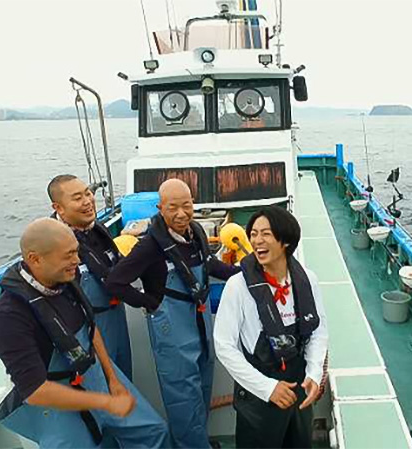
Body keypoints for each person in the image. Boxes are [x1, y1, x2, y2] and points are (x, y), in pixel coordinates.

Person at [0, 218, 167, 448]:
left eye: (76, 252)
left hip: (95, 377)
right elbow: (35, 392)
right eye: (68, 255)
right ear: (35, 259)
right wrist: (104, 403)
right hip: (57, 402)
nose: (77, 261)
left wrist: (112, 378)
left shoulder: (66, 280)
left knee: (153, 431)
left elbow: (89, 329)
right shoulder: (9, 318)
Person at [106, 178, 240, 448]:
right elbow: (115, 282)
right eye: (173, 208)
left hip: (199, 323)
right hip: (171, 330)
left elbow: (209, 264)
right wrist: (149, 303)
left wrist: (243, 273)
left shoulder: (196, 233)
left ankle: (199, 442)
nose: (181, 214)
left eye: (187, 205)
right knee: (183, 400)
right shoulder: (149, 246)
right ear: (160, 208)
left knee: (202, 387)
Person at [214, 206, 328, 448]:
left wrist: (314, 374)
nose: (257, 240)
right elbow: (224, 347)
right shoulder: (238, 287)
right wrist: (268, 388)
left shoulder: (308, 280)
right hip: (258, 398)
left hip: (298, 390)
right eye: (253, 234)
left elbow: (317, 332)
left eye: (265, 233)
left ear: (285, 240)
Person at [48, 174, 133, 379]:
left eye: (88, 193)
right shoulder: (51, 246)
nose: (87, 201)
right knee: (104, 387)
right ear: (58, 208)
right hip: (86, 331)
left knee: (125, 378)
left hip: (115, 317)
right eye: (77, 198)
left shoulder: (96, 229)